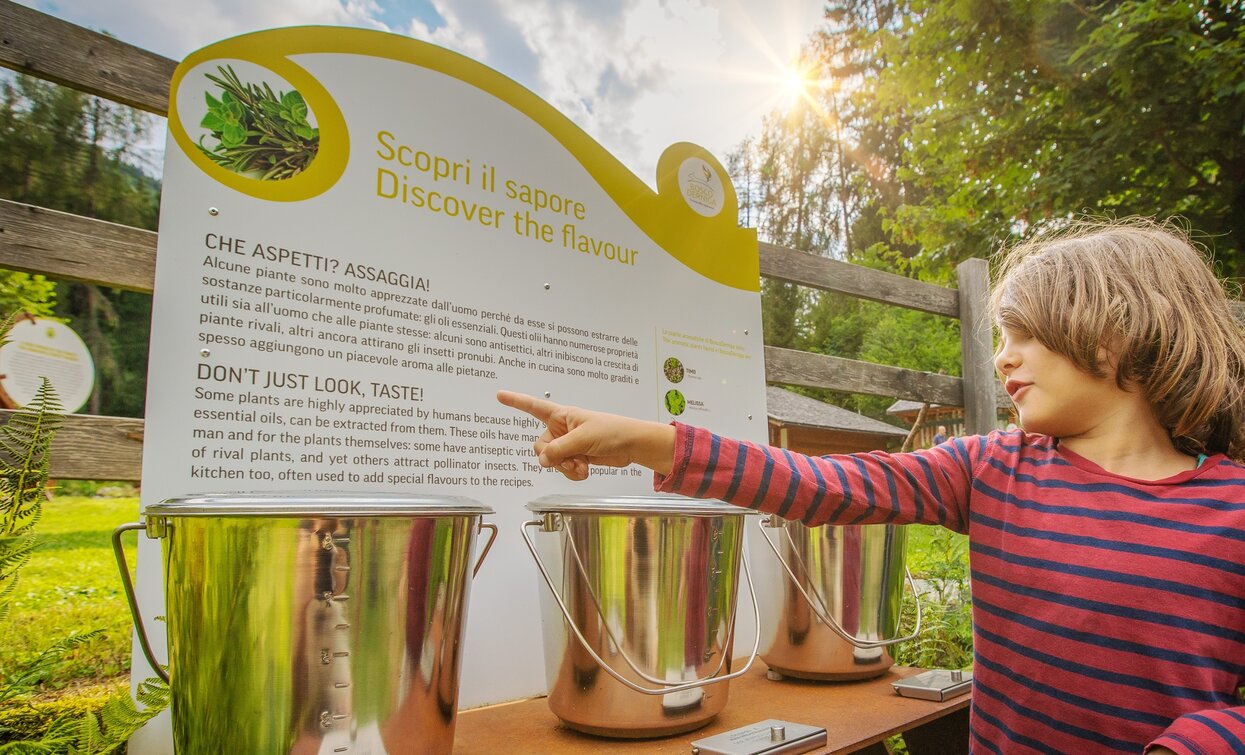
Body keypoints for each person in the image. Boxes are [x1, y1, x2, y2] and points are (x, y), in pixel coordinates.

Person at [498, 218, 1245, 754]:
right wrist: (638, 437)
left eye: (1025, 334)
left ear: (1115, 330)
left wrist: (1210, 738)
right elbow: (824, 483)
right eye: (998, 338)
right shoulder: (990, 466)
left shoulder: (1232, 507)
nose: (1002, 359)